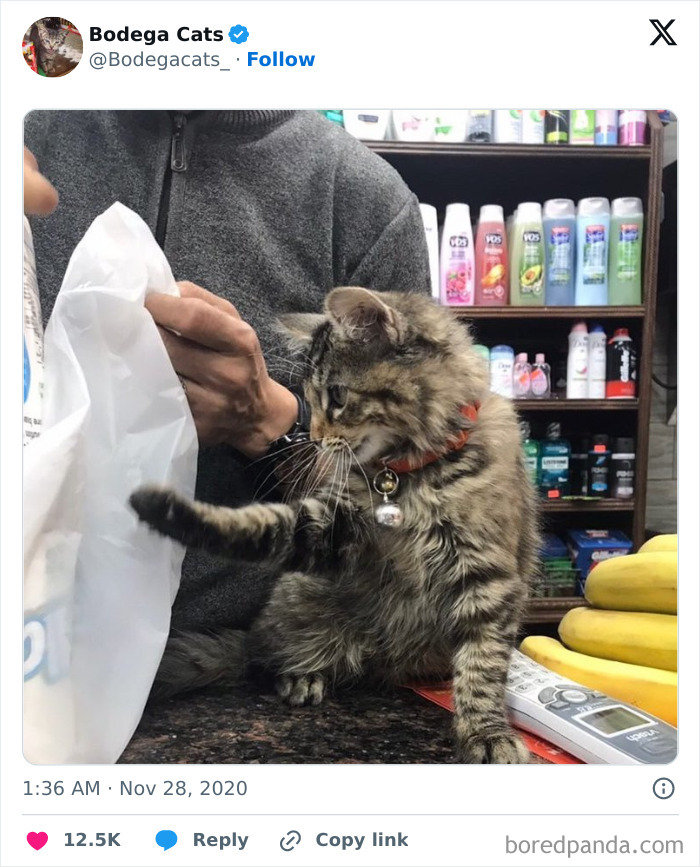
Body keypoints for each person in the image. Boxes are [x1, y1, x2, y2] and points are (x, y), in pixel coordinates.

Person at [24, 110, 431, 692]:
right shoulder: (32, 136)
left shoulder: (362, 200)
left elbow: (407, 525)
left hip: (255, 676)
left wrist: (269, 423)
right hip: (32, 655)